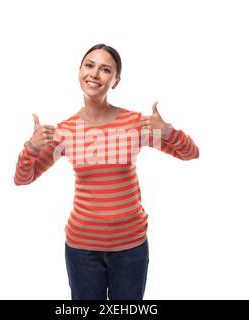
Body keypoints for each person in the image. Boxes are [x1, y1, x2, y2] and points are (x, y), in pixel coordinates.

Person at [14, 43, 200, 300]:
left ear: (116, 81)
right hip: (82, 249)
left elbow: (190, 153)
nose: (94, 74)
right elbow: (23, 178)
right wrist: (31, 148)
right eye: (89, 65)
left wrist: (167, 130)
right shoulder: (65, 130)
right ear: (79, 71)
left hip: (130, 246)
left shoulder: (134, 123)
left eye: (105, 70)